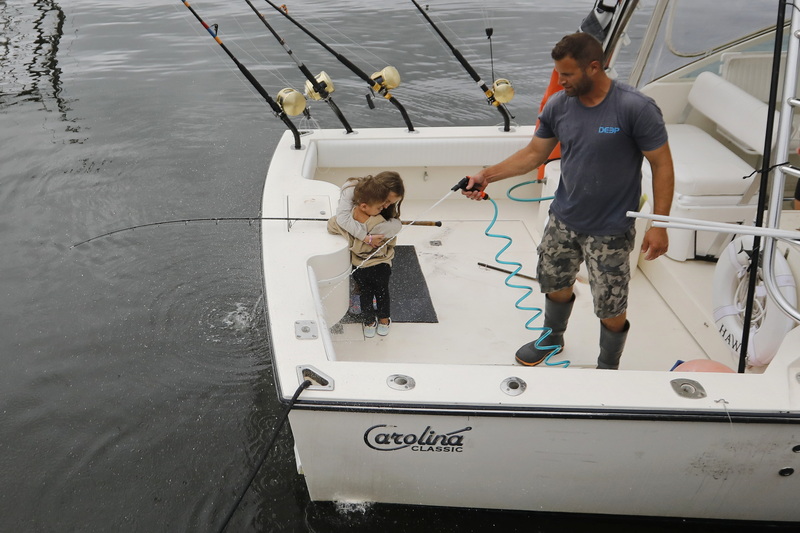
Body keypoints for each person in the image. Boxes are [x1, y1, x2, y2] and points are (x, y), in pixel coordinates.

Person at [464, 32, 674, 370]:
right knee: (555, 282)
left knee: (611, 305)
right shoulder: (559, 104)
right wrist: (486, 176)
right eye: (558, 73)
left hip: (611, 230)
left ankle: (608, 363)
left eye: (567, 74)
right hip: (563, 219)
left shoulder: (634, 107)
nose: (559, 81)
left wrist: (660, 224)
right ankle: (552, 337)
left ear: (594, 67)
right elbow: (534, 153)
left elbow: (662, 164)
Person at [328, 172, 405, 337]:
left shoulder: (381, 208)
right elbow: (341, 220)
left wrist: (367, 225)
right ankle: (368, 314)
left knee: (380, 289)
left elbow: (395, 226)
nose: (386, 207)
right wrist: (366, 236)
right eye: (387, 202)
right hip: (362, 258)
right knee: (365, 289)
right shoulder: (351, 191)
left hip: (377, 260)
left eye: (391, 203)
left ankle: (382, 317)